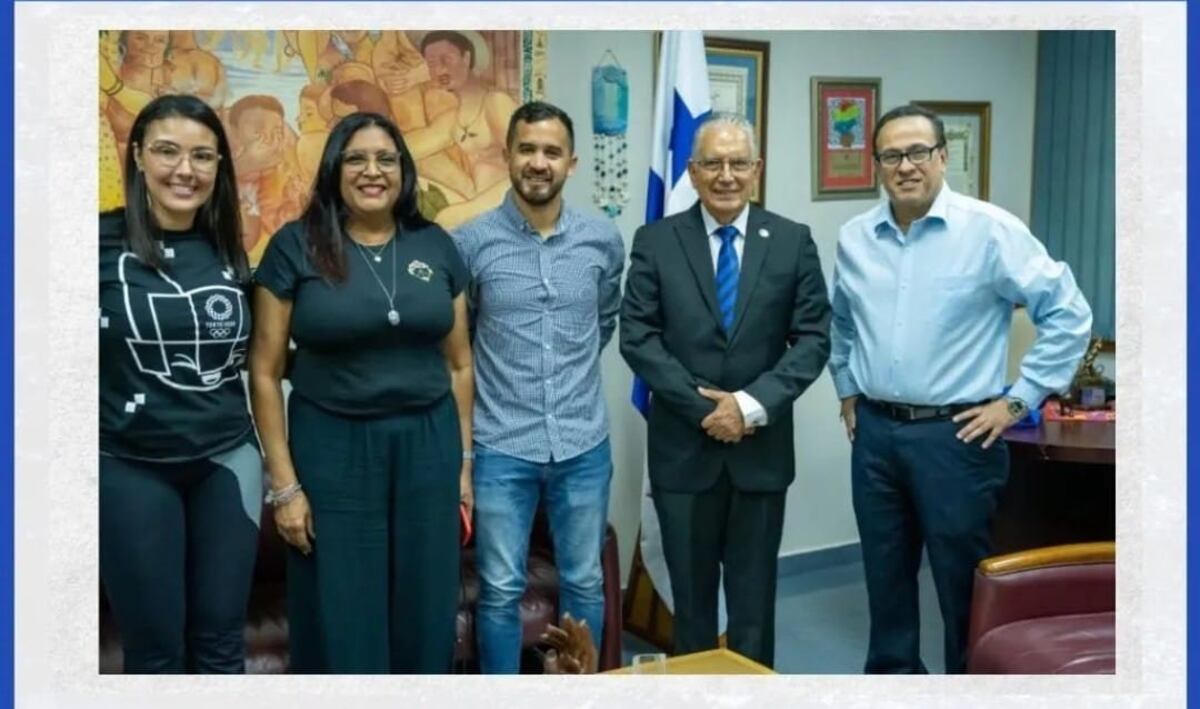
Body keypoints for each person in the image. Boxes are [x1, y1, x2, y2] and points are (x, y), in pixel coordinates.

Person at [828, 104, 1093, 674]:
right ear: (877, 164)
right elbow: (842, 323)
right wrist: (847, 388)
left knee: (962, 589)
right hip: (875, 435)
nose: (906, 166)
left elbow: (1069, 313)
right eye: (892, 155)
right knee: (885, 581)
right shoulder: (854, 238)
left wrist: (1018, 399)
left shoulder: (990, 231)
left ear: (943, 157)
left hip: (957, 438)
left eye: (919, 152)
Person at [248, 111, 473, 674]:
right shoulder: (294, 246)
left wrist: (464, 465)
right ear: (334, 170)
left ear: (404, 171)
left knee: (426, 602)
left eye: (386, 159)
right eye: (356, 158)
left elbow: (460, 365)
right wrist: (285, 487)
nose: (372, 171)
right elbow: (265, 372)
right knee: (341, 604)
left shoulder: (436, 244)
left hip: (428, 446)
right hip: (332, 448)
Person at [620, 113, 831, 668]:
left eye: (738, 163)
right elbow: (638, 338)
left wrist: (748, 406)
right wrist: (705, 409)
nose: (726, 175)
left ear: (756, 169)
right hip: (684, 454)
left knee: (754, 605)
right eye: (712, 163)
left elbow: (812, 338)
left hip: (759, 454)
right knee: (689, 608)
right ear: (691, 171)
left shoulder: (791, 241)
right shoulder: (657, 241)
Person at [452, 101, 624, 674]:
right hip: (504, 444)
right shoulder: (471, 243)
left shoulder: (602, 240)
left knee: (585, 582)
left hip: (583, 443)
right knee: (500, 587)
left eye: (552, 151)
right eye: (527, 149)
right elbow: (464, 342)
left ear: (571, 163)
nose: (539, 162)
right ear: (508, 156)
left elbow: (601, 323)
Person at [99, 94, 259, 673]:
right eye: (167, 151)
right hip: (128, 465)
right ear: (138, 155)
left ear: (219, 167)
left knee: (221, 646)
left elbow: (259, 358)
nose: (185, 170)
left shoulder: (229, 251)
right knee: (155, 654)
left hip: (226, 462)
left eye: (202, 156)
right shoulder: (90, 246)